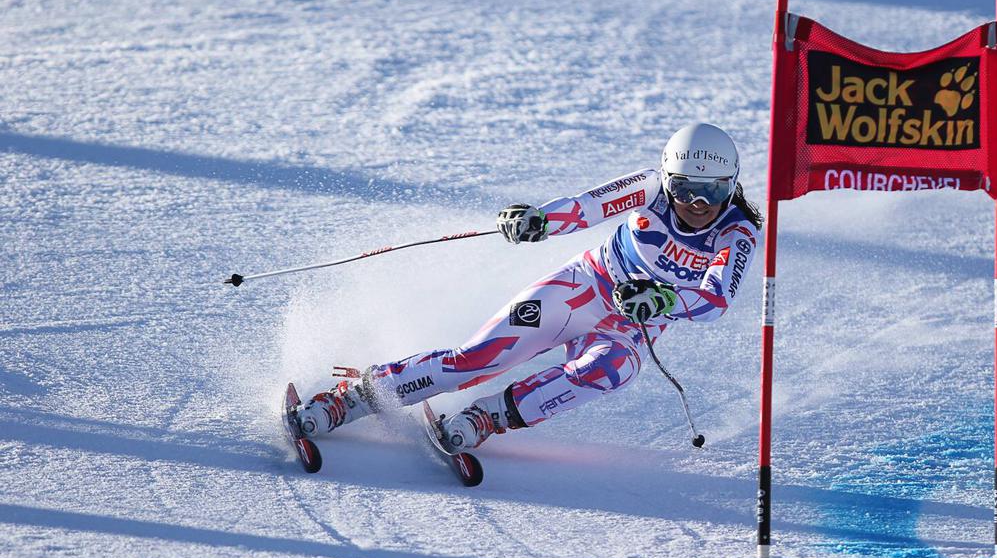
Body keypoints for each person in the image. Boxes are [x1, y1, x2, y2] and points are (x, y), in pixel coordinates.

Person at [294, 123, 763, 450]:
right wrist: (539, 219)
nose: (697, 204)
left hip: (632, 327)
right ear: (667, 178)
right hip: (584, 288)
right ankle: (354, 398)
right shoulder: (648, 189)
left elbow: (715, 300)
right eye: (684, 189)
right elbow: (586, 207)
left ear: (732, 185)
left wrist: (662, 298)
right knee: (477, 359)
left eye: (714, 192)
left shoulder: (735, 232)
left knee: (612, 369)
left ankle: (490, 417)